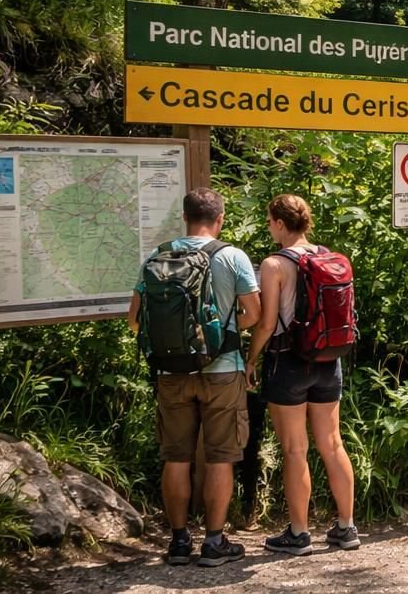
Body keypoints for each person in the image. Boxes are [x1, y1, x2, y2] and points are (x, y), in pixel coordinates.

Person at [128, 188, 261, 567]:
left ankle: (179, 541)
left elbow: (134, 318)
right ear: (219, 219)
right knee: (221, 457)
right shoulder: (231, 256)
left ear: (185, 218)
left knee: (176, 457)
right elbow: (255, 312)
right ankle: (215, 541)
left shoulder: (158, 255)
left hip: (171, 372)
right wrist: (226, 333)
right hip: (223, 371)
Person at [248, 194, 359, 555]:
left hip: (288, 361)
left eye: (269, 221)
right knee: (333, 443)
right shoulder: (326, 256)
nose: (268, 227)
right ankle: (346, 527)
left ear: (280, 223)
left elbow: (266, 324)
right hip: (328, 358)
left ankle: (298, 533)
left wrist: (251, 359)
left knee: (296, 449)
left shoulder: (274, 264)